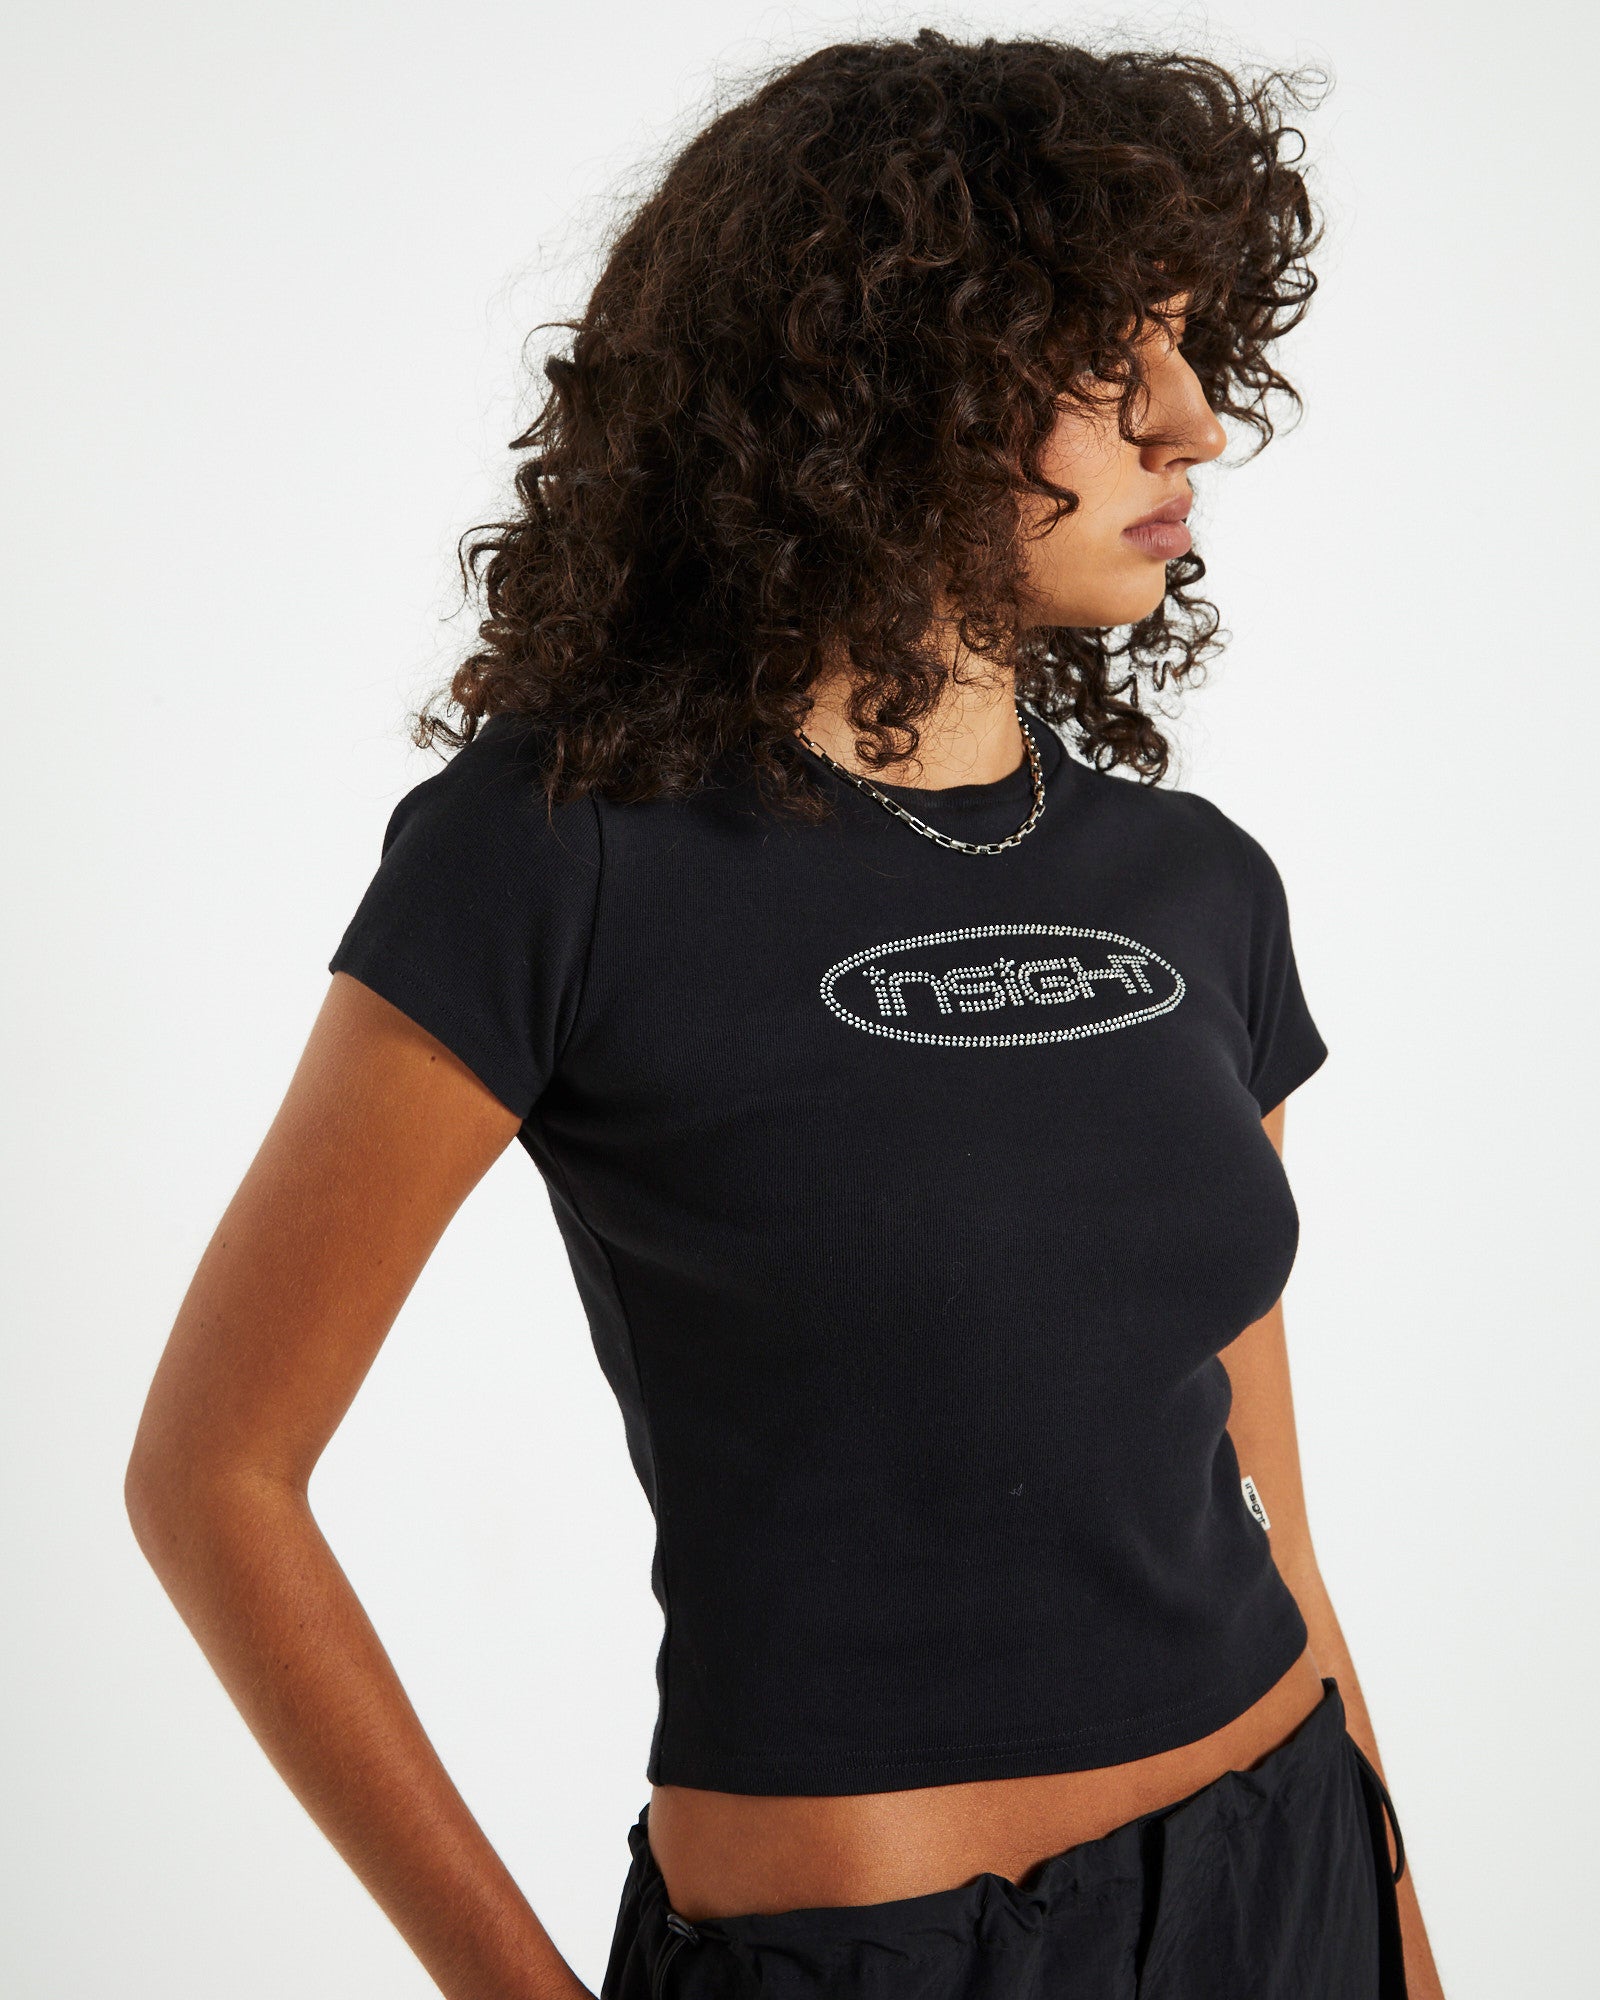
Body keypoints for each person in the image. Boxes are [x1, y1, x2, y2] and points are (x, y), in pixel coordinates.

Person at [126, 29, 1444, 2000]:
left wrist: (1399, 1943)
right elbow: (213, 1478)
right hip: (871, 1948)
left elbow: (1275, 1522)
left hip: (1289, 1872)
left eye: (1186, 343)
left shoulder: (1198, 889)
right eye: (1105, 356)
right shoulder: (560, 852)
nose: (1191, 420)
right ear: (881, 374)